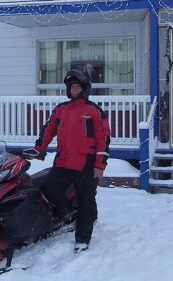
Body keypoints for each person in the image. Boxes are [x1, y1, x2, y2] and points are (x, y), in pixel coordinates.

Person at [35, 69, 111, 253]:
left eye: (77, 86)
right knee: (48, 189)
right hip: (62, 162)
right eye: (71, 86)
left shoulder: (94, 111)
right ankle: (66, 215)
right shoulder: (61, 109)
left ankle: (82, 239)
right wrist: (40, 148)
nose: (74, 89)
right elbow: (48, 129)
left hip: (86, 164)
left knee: (86, 201)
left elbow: (104, 139)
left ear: (84, 88)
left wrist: (100, 165)